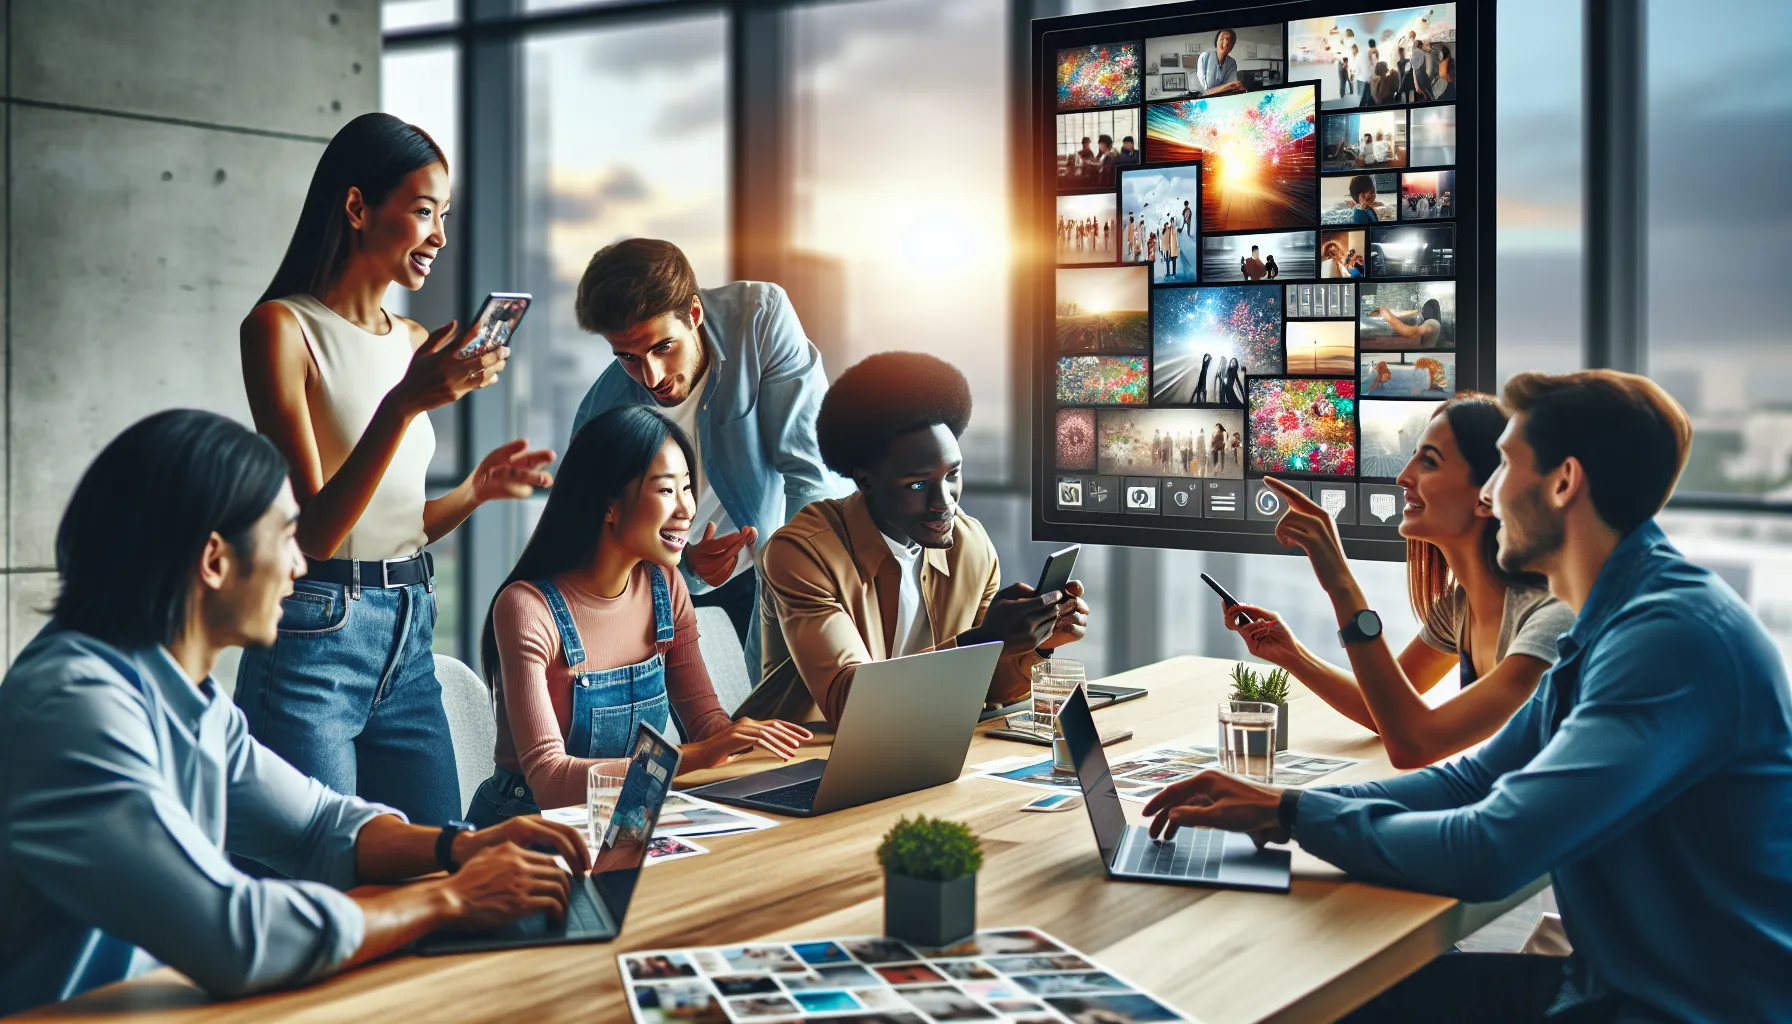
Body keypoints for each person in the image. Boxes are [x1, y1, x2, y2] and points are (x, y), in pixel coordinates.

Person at [1146, 371, 1792, 1023]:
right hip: (1608, 985)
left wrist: (1294, 819)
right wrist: (1285, 804)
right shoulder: (1608, 620)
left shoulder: (1668, 640)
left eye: (1504, 466)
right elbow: (1470, 782)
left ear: (1564, 482)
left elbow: (1489, 851)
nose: (1489, 493)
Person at [0, 410, 593, 1014]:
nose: (301, 565)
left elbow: (313, 826)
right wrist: (450, 899)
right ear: (214, 560)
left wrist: (460, 848)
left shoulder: (184, 692)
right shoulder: (73, 710)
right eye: (286, 537)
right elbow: (232, 934)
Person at [237, 113, 554, 825]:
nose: (440, 236)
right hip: (315, 635)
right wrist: (403, 403)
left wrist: (475, 491)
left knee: (442, 860)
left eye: (444, 215)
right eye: (422, 212)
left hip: (408, 631)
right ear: (357, 208)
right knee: (324, 881)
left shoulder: (415, 339)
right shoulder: (280, 329)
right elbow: (315, 536)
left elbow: (392, 525)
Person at [469, 406, 811, 826]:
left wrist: (742, 739)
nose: (687, 509)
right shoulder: (527, 607)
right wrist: (690, 757)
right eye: (667, 491)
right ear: (608, 505)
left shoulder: (665, 586)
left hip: (626, 811)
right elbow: (551, 781)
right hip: (523, 826)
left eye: (688, 488)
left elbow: (705, 724)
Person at [1224, 396, 1574, 768]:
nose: (1403, 476)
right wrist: (1290, 653)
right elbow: (1383, 712)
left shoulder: (1552, 625)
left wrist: (1341, 584)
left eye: (1429, 462)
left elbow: (1414, 743)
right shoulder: (1461, 606)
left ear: (1489, 496)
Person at [744, 353, 1089, 725]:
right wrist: (983, 641)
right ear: (865, 481)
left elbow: (986, 688)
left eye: (952, 474)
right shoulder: (801, 552)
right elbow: (851, 703)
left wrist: (1035, 646)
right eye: (919, 484)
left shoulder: (969, 546)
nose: (945, 503)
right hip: (801, 760)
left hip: (923, 743)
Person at [570, 239, 841, 690]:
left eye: (663, 347)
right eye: (628, 358)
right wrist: (686, 567)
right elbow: (595, 547)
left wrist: (799, 586)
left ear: (693, 314)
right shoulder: (602, 414)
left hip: (781, 554)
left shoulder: (759, 319)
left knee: (793, 708)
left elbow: (810, 471)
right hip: (672, 582)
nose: (651, 377)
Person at [1373, 298, 1445, 348]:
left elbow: (1410, 333)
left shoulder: (1433, 323)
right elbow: (1399, 314)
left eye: (1424, 309)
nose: (1422, 312)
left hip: (1428, 359)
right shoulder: (1430, 322)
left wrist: (1388, 317)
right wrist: (1387, 312)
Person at [1195, 28, 1245, 96]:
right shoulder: (1205, 57)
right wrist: (1229, 86)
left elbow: (1231, 88)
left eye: (1228, 40)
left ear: (1231, 46)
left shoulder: (1232, 63)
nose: (1225, 42)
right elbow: (1206, 92)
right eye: (1222, 39)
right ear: (1216, 42)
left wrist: (1231, 86)